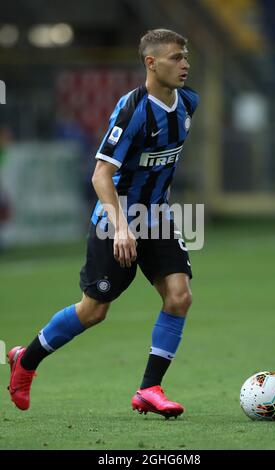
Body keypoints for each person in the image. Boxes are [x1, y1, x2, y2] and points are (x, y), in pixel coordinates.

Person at [7, 29, 199, 419]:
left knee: (179, 296)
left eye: (185, 57)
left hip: (157, 218)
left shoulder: (189, 102)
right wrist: (122, 226)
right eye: (176, 57)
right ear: (151, 63)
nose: (185, 64)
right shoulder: (132, 110)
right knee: (94, 310)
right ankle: (26, 360)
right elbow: (100, 175)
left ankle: (149, 389)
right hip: (115, 222)